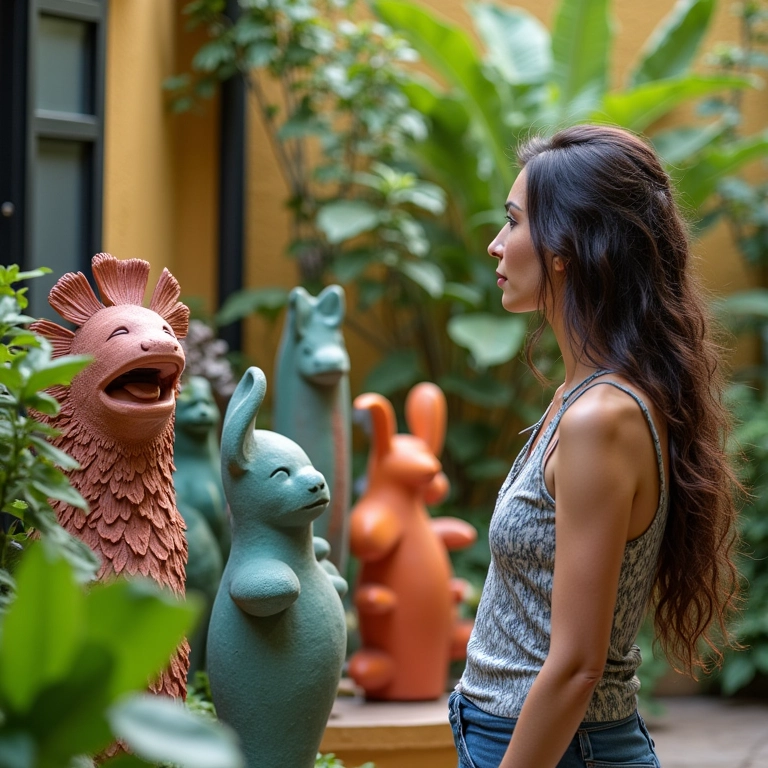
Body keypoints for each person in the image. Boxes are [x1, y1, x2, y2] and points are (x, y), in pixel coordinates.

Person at [449, 124, 741, 768]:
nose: (496, 244)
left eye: (513, 222)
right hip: (533, 739)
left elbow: (578, 665)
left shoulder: (600, 418)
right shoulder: (583, 395)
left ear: (565, 249)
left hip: (557, 750)